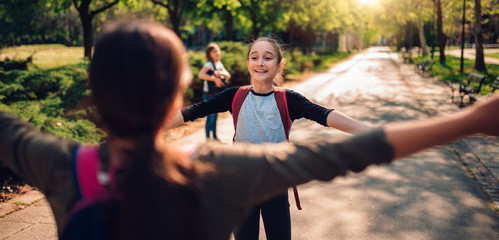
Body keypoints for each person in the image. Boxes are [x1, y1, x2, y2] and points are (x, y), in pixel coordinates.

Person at [1, 20, 498, 240]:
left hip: (274, 195)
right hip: (263, 182)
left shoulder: (60, 165)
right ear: (177, 93)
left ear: (96, 93)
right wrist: (472, 120)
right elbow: (350, 153)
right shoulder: (219, 171)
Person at [169, 36, 372, 240]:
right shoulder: (235, 96)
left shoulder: (288, 99)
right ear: (248, 63)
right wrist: (149, 127)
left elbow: (325, 115)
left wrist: (370, 132)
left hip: (275, 183)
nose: (260, 63)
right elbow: (191, 112)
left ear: (279, 65)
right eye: (254, 57)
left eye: (268, 58)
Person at [198, 43, 231, 141]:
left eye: (218, 50)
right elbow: (201, 75)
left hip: (216, 93)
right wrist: (214, 79)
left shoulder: (218, 64)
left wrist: (220, 73)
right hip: (208, 95)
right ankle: (208, 140)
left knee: (215, 117)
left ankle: (215, 137)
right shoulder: (208, 64)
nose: (217, 53)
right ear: (209, 54)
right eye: (214, 51)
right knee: (210, 117)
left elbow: (228, 75)